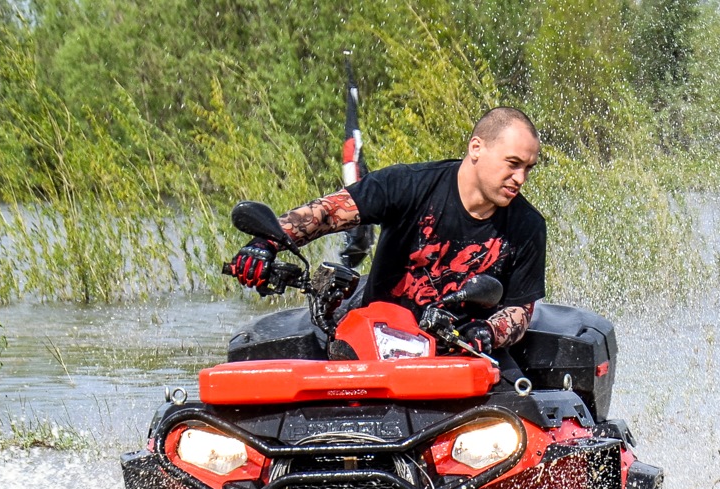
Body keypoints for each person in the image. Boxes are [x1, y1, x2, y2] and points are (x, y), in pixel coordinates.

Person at [227, 106, 546, 358]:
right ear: (476, 148)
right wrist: (267, 242)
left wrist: (488, 333)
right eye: (513, 163)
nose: (520, 178)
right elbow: (328, 212)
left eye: (528, 168)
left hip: (459, 352)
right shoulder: (408, 185)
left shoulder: (527, 226)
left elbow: (520, 311)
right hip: (376, 341)